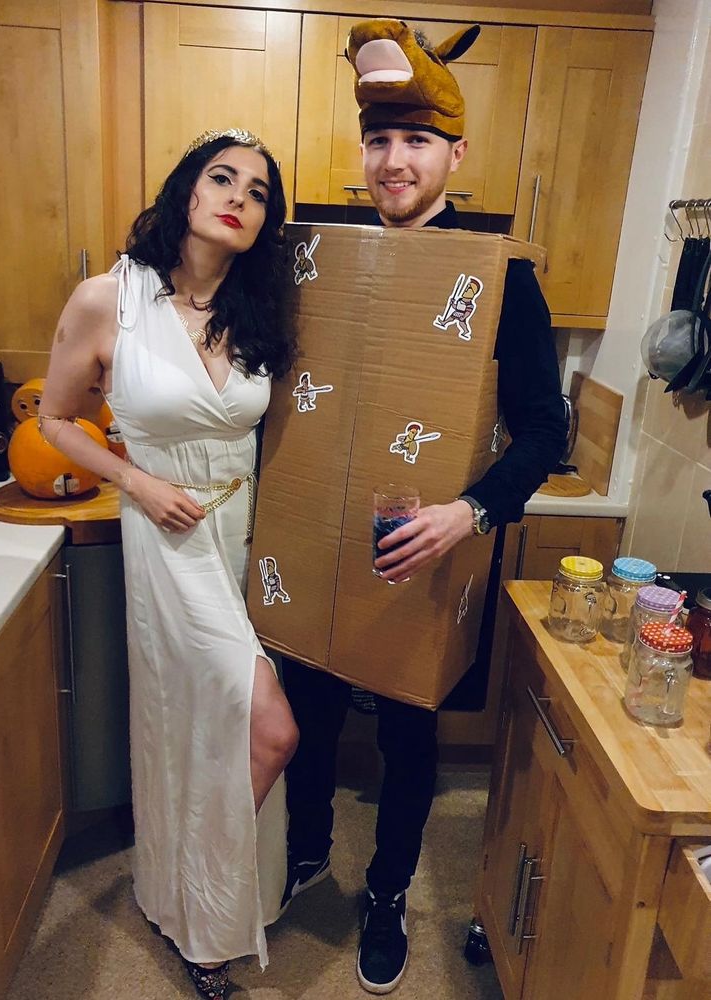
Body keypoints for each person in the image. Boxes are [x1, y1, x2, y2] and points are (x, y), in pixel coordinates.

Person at [279, 19, 568, 995]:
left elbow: (545, 430)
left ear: (456, 154)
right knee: (310, 718)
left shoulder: (499, 277)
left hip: (429, 544)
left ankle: (388, 891)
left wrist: (468, 514)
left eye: (415, 140)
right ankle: (305, 849)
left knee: (407, 742)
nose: (393, 160)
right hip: (320, 541)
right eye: (378, 140)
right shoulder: (324, 263)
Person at [37, 128, 299, 1000]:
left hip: (247, 539)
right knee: (269, 730)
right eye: (222, 178)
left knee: (205, 723)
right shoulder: (108, 297)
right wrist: (136, 481)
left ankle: (193, 891)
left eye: (257, 193)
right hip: (168, 535)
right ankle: (206, 920)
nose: (238, 199)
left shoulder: (258, 311)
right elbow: (54, 419)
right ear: (186, 190)